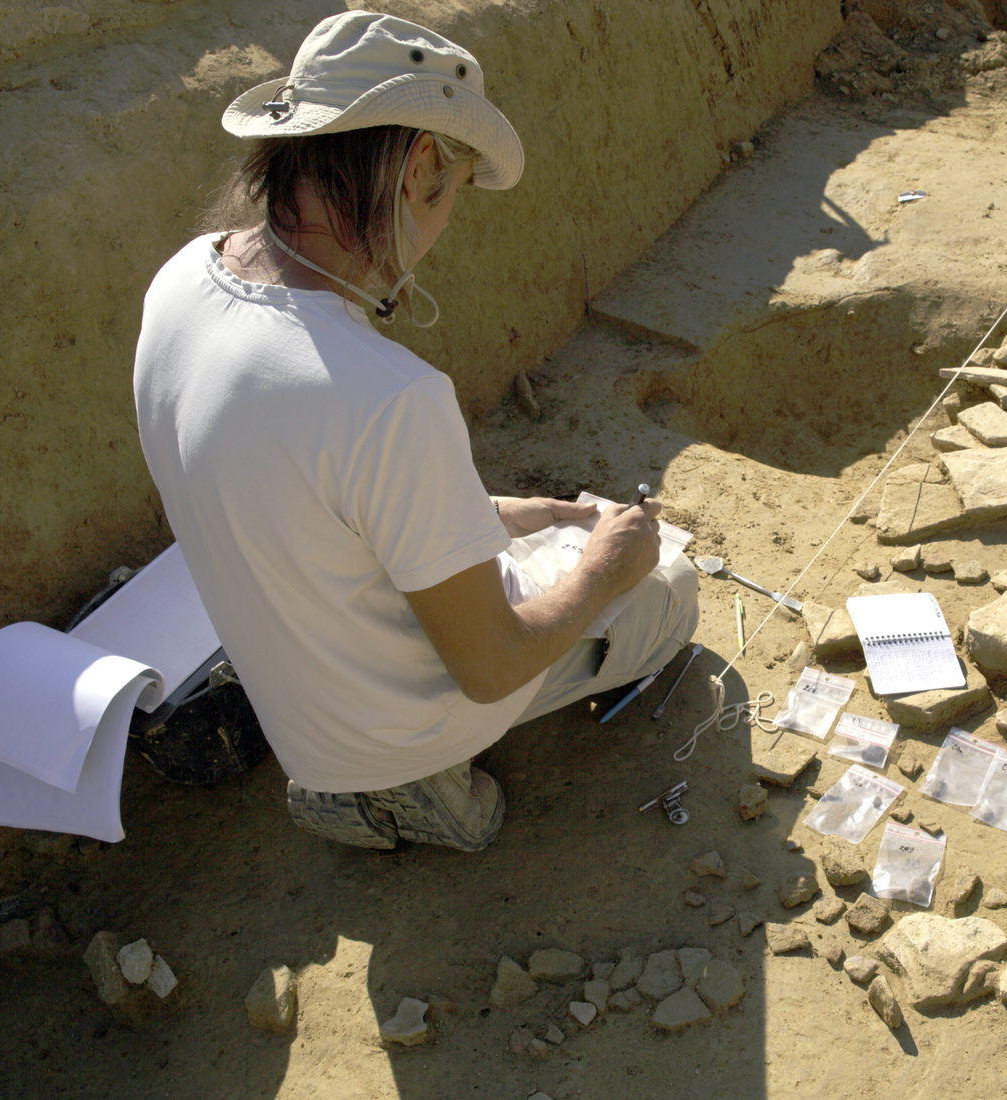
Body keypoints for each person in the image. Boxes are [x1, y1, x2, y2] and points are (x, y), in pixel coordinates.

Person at [132, 11, 698, 852]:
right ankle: (412, 784)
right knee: (670, 587)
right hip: (385, 732)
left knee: (557, 545)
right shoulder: (387, 398)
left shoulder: (182, 277)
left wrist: (519, 512)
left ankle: (366, 775)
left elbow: (326, 510)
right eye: (456, 192)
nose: (443, 227)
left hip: (299, 708)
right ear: (422, 165)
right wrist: (610, 569)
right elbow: (493, 665)